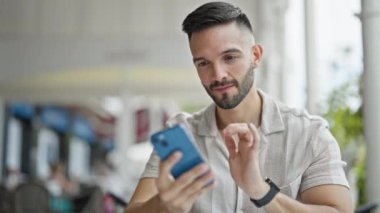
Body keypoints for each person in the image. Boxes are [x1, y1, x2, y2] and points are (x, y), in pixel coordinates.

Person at [125, 2, 352, 212]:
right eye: (203, 63)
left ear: (255, 55)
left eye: (230, 57)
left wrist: (262, 192)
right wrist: (162, 206)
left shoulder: (309, 134)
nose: (218, 75)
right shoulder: (180, 134)